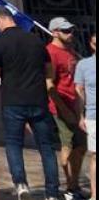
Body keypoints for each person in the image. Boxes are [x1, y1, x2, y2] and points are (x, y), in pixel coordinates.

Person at [0, 6, 61, 200]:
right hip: (38, 100)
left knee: (13, 144)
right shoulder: (36, 39)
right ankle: (52, 193)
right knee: (46, 148)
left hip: (13, 101)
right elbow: (50, 71)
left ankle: (21, 185)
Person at [46, 18, 87, 199]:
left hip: (76, 104)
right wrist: (64, 110)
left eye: (71, 30)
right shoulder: (50, 53)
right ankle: (71, 187)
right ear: (54, 32)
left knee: (81, 145)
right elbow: (49, 84)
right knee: (68, 145)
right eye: (65, 31)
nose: (70, 33)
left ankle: (74, 184)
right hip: (61, 107)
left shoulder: (70, 52)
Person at [74, 34, 95, 200]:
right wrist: (80, 116)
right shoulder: (83, 65)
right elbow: (79, 92)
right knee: (95, 155)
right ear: (92, 44)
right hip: (93, 115)